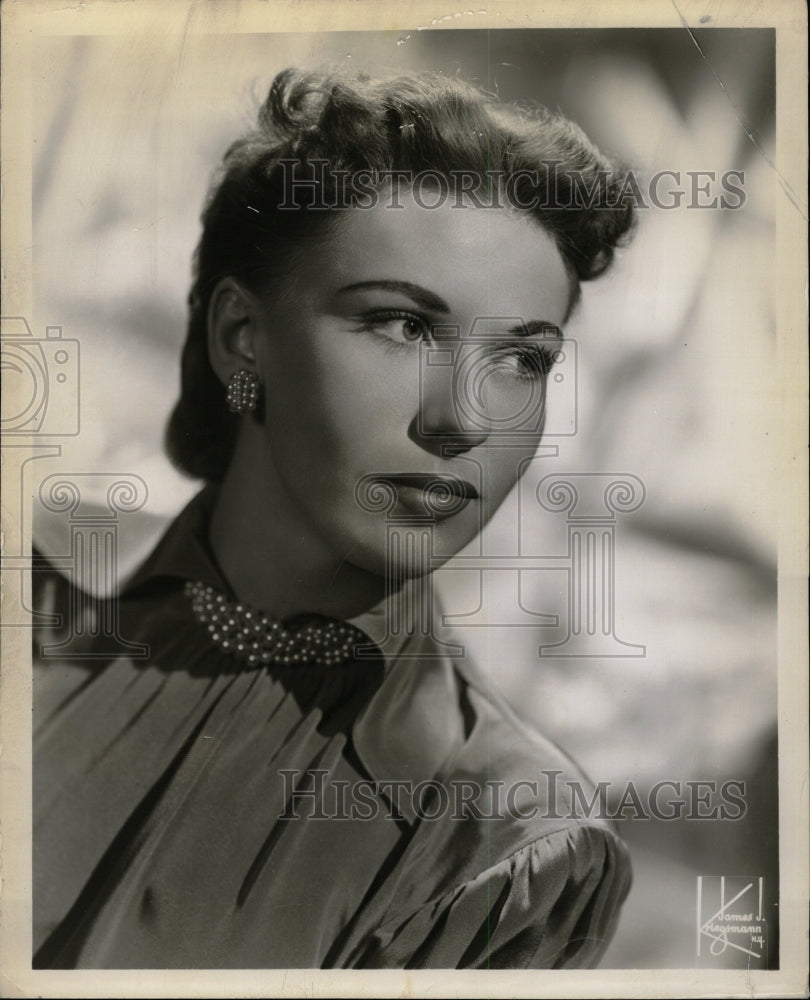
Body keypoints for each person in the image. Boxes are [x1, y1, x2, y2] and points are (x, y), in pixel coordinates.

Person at [32, 67, 635, 969]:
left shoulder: (513, 849)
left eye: (521, 359)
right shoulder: (34, 646)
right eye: (401, 325)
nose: (463, 418)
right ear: (243, 335)